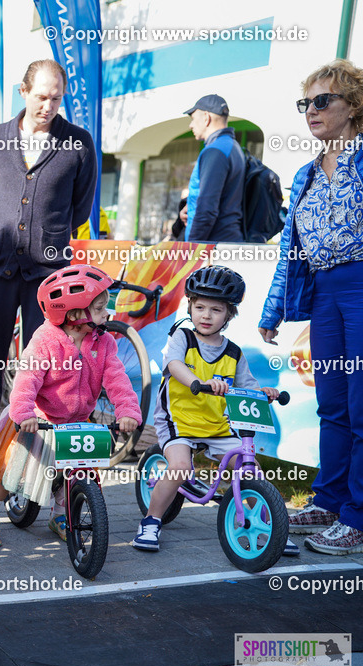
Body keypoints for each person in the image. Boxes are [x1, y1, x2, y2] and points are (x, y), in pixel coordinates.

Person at [0, 59, 96, 466]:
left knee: (46, 358)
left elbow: (80, 209)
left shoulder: (78, 143)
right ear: (23, 91)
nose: (47, 106)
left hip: (50, 274)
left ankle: (36, 441)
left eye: (55, 98)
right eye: (40, 97)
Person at [260, 60, 363, 555]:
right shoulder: (303, 175)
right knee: (334, 406)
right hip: (324, 295)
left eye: (323, 101)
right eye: (307, 103)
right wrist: (272, 310)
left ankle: (358, 517)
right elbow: (291, 251)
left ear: (353, 106)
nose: (312, 111)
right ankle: (330, 499)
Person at [0, 266, 140, 547]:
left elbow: (117, 379)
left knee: (75, 473)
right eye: (99, 308)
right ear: (74, 314)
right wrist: (23, 413)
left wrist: (127, 411)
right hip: (40, 420)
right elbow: (27, 378)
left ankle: (61, 514)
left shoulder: (104, 342)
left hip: (78, 421)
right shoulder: (45, 340)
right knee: (11, 472)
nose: (106, 313)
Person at [133, 266, 283, 552]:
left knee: (250, 467)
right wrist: (198, 381)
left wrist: (264, 392)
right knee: (179, 466)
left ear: (229, 315)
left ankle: (267, 526)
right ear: (189, 306)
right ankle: (151, 521)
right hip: (178, 419)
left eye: (216, 310)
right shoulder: (183, 338)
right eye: (199, 307)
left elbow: (247, 387)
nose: (205, 315)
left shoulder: (233, 352)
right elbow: (174, 365)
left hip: (215, 424)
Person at [183, 94, 245, 243]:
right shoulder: (232, 146)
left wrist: (191, 251)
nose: (191, 125)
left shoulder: (215, 151)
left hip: (213, 246)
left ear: (206, 118)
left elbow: (207, 210)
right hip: (226, 241)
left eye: (193, 119)